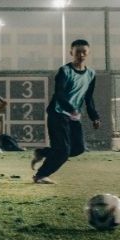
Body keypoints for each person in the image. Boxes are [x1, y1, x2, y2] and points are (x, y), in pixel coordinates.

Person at [30, 39, 100, 184]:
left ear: (88, 53)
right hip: (57, 114)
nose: (81, 55)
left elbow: (88, 97)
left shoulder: (91, 73)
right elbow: (59, 94)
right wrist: (70, 108)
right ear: (71, 53)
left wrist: (94, 116)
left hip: (73, 117)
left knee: (78, 148)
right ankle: (40, 175)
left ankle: (42, 152)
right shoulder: (65, 71)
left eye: (84, 52)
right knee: (63, 151)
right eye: (78, 52)